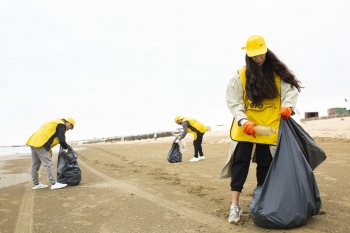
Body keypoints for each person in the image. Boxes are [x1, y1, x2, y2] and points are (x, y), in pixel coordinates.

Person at [220, 35, 302, 223]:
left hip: (268, 128)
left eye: (261, 54)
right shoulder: (241, 75)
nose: (258, 58)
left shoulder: (277, 74)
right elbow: (234, 101)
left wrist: (288, 107)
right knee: (240, 163)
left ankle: (260, 201)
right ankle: (235, 205)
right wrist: (243, 121)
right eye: (254, 55)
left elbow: (291, 90)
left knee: (265, 165)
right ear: (248, 55)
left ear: (266, 51)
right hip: (247, 127)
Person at [26, 118, 76, 190]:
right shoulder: (61, 124)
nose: (70, 128)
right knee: (48, 164)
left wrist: (49, 151)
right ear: (68, 122)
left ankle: (36, 184)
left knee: (35, 165)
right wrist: (65, 148)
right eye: (71, 126)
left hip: (33, 141)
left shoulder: (55, 122)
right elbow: (61, 139)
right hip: (41, 143)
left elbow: (49, 136)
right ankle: (53, 183)